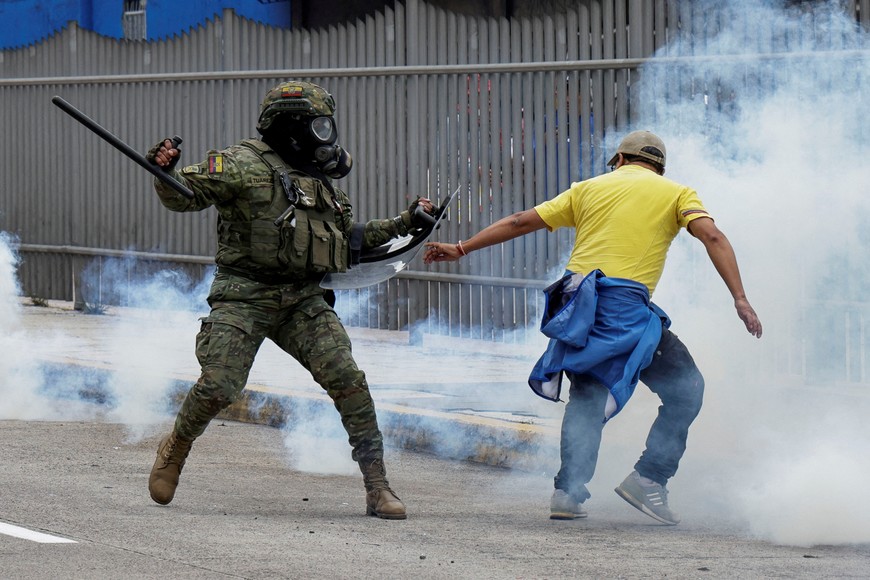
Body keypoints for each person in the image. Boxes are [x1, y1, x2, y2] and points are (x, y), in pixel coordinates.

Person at [424, 130, 762, 525]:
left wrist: (460, 248)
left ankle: (567, 492)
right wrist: (739, 297)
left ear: (619, 159)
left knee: (586, 394)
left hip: (579, 310)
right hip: (624, 311)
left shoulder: (587, 189)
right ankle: (649, 478)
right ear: (658, 166)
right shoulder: (677, 193)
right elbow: (713, 236)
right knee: (687, 389)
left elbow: (519, 221)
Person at [145, 80, 434, 520]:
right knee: (220, 384)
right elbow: (185, 196)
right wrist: (163, 171)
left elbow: (350, 241)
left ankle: (378, 487)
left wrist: (405, 223)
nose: (326, 136)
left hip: (302, 299)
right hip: (245, 295)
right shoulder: (240, 163)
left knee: (348, 380)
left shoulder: (325, 186)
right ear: (291, 128)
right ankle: (175, 449)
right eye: (317, 125)